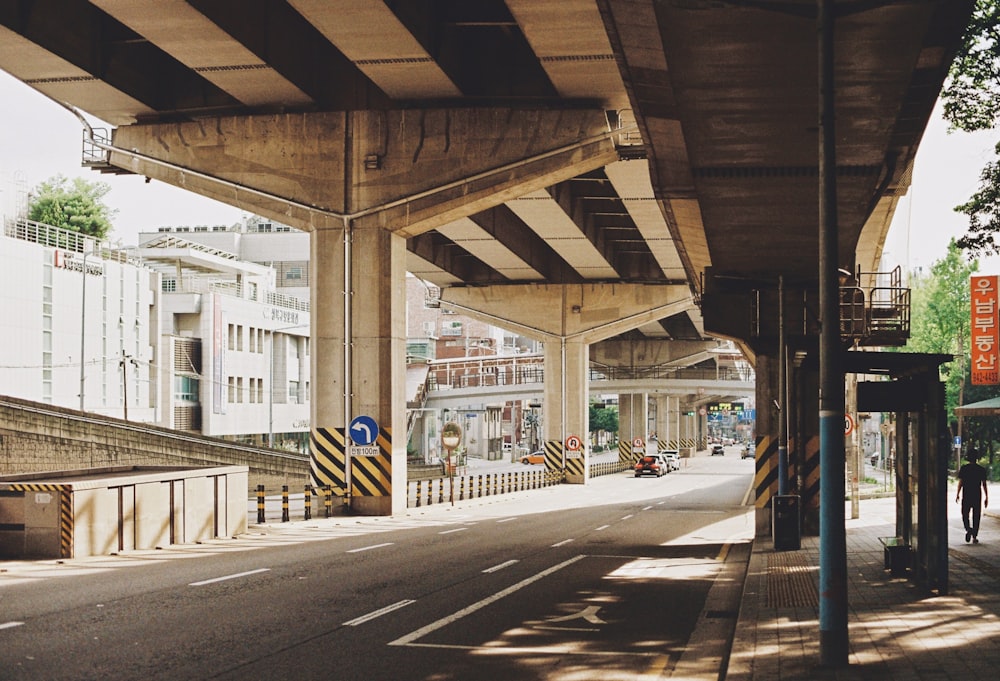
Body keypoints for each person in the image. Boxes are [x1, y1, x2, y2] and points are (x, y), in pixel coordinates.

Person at [956, 447, 989, 544]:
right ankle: (974, 535)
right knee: (976, 516)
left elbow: (960, 482)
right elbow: (984, 484)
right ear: (976, 458)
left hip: (966, 495)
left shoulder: (964, 469)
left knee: (964, 514)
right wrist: (987, 497)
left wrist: (957, 494)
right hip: (977, 495)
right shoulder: (981, 470)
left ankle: (968, 529)